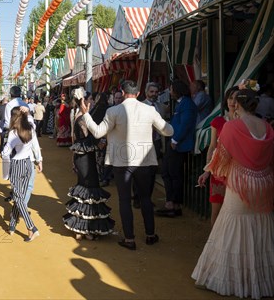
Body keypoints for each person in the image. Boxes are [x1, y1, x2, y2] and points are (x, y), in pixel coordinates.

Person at [192, 88, 273, 299]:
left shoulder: (232, 127)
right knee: (259, 228)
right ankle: (259, 281)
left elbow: (221, 158)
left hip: (239, 185)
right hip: (264, 184)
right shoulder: (267, 127)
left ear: (237, 104)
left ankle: (229, 280)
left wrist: (207, 173)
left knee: (231, 228)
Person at [81, 80, 173, 250]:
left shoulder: (113, 111)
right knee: (145, 198)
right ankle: (150, 235)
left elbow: (98, 132)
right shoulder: (149, 110)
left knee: (124, 200)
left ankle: (129, 239)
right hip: (144, 160)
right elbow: (168, 131)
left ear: (122, 93)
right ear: (138, 94)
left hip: (121, 160)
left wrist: (86, 114)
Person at [64, 88, 115, 240]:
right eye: (91, 100)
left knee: (88, 188)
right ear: (85, 101)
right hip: (84, 157)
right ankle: (84, 228)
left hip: (84, 156)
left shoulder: (82, 115)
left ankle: (84, 227)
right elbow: (87, 138)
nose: (92, 102)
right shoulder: (82, 116)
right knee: (88, 188)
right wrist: (100, 141)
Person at [197, 86, 239, 227]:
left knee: (236, 213)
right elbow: (212, 147)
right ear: (226, 100)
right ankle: (214, 245)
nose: (233, 101)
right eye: (230, 98)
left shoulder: (247, 122)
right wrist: (207, 171)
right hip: (219, 171)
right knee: (216, 211)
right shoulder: (218, 121)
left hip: (239, 172)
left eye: (237, 98)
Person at [156, 80, 198, 218]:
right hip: (175, 143)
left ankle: (174, 205)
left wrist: (175, 139)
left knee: (174, 174)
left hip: (178, 144)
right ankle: (171, 203)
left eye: (171, 89)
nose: (170, 92)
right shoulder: (183, 103)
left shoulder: (187, 104)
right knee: (168, 172)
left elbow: (185, 124)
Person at [1, 108, 42, 242]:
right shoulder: (30, 128)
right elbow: (35, 144)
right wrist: (39, 159)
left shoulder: (13, 133)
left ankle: (32, 227)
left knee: (18, 198)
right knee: (20, 198)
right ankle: (12, 226)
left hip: (17, 165)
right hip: (28, 164)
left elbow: (5, 152)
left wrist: (5, 168)